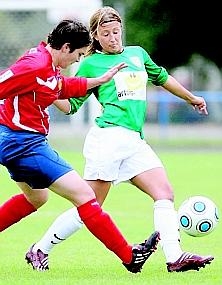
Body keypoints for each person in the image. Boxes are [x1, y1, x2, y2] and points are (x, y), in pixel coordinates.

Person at [25, 7, 214, 273]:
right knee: (90, 205)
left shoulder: (137, 54)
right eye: (106, 34)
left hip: (135, 141)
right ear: (96, 37)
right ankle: (40, 249)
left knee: (164, 193)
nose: (113, 38)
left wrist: (191, 98)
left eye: (116, 31)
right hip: (108, 140)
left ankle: (175, 257)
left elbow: (162, 77)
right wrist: (45, 89)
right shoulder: (90, 64)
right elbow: (71, 106)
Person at [0, 19, 161, 274]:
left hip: (17, 141)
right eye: (77, 56)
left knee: (36, 198)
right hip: (25, 145)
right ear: (65, 47)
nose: (76, 62)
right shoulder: (34, 64)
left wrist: (100, 80)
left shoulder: (46, 63)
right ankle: (130, 257)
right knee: (86, 197)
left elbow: (62, 87)